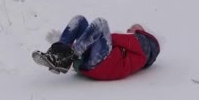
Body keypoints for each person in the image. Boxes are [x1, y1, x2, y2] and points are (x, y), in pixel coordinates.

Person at [32, 15, 160, 80]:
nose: (129, 29)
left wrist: (91, 36)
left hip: (105, 64)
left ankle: (67, 54)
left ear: (144, 32)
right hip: (92, 64)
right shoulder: (134, 51)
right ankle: (58, 55)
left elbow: (112, 38)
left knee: (101, 23)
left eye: (133, 27)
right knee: (80, 19)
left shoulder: (144, 44)